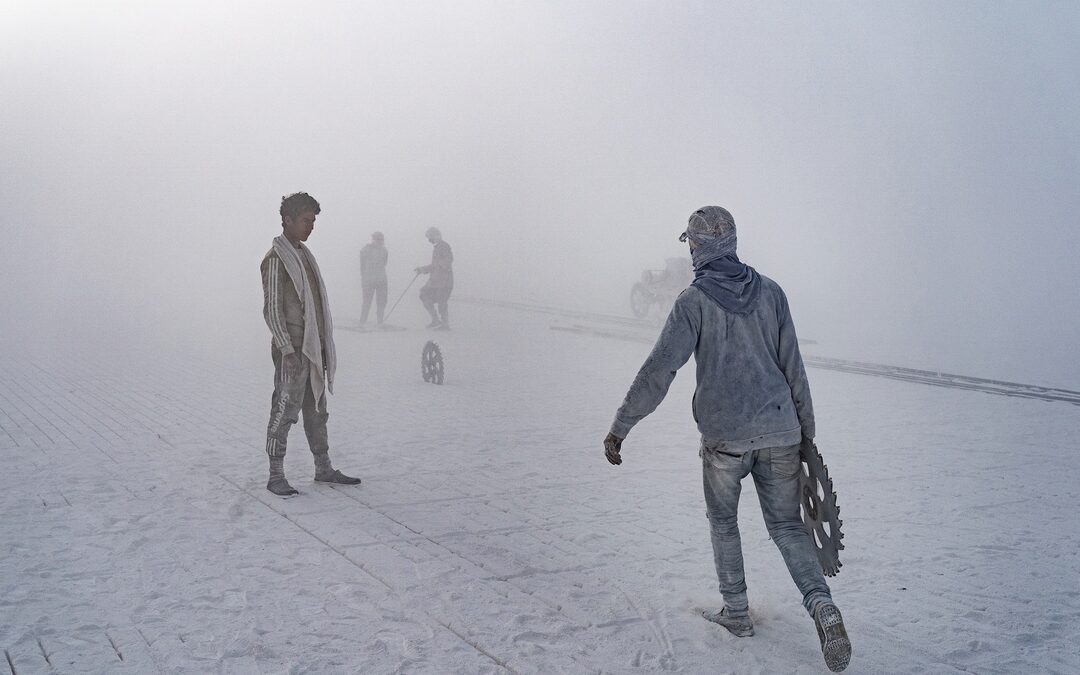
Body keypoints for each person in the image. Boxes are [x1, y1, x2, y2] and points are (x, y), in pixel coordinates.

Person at [603, 206, 851, 672]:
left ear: (700, 247)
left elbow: (659, 371)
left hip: (725, 440)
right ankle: (822, 605)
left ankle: (736, 613)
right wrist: (806, 438)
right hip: (780, 431)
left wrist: (621, 427)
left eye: (691, 244)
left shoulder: (693, 302)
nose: (691, 251)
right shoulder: (772, 293)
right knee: (786, 527)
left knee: (723, 523)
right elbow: (794, 368)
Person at [260, 192, 361, 496]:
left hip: (312, 350)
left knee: (317, 409)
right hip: (292, 351)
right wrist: (287, 350)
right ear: (287, 220)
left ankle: (323, 467)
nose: (310, 226)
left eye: (313, 221)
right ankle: (275, 474)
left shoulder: (304, 256)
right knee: (284, 409)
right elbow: (272, 309)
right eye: (306, 220)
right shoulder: (277, 259)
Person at [415, 226, 453, 329]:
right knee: (424, 295)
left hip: (444, 281)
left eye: (430, 238)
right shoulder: (437, 248)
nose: (429, 240)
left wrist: (440, 265)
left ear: (435, 236)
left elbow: (447, 262)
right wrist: (422, 269)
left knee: (442, 302)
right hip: (435, 281)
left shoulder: (444, 246)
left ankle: (445, 324)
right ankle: (435, 320)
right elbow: (434, 265)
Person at [359, 231, 388, 327]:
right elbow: (362, 266)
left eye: (381, 240)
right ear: (373, 240)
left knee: (381, 301)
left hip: (381, 280)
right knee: (367, 302)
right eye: (378, 239)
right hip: (369, 280)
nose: (380, 241)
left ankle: (380, 321)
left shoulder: (384, 251)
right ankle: (362, 321)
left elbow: (384, 263)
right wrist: (363, 278)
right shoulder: (365, 250)